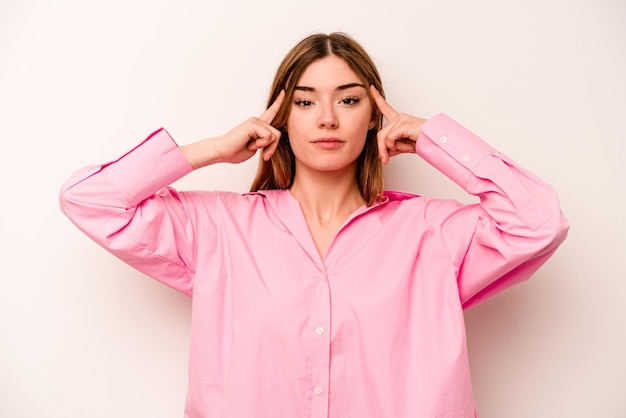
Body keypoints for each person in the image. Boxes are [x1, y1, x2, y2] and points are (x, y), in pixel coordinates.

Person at [59, 32, 569, 418]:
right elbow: (89, 200)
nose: (327, 118)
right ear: (281, 117)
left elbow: (539, 221)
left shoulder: (431, 233)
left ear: (374, 115)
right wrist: (210, 150)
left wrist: (434, 138)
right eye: (305, 101)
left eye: (348, 99)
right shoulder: (216, 227)